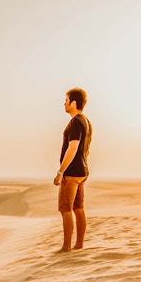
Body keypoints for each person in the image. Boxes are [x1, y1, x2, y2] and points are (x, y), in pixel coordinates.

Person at [53, 87, 92, 252]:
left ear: (74, 103)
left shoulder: (76, 122)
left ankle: (66, 247)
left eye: (66, 100)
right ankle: (79, 244)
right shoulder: (86, 121)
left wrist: (61, 171)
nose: (64, 103)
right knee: (78, 208)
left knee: (65, 209)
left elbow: (73, 147)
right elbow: (86, 149)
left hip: (72, 173)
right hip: (82, 171)